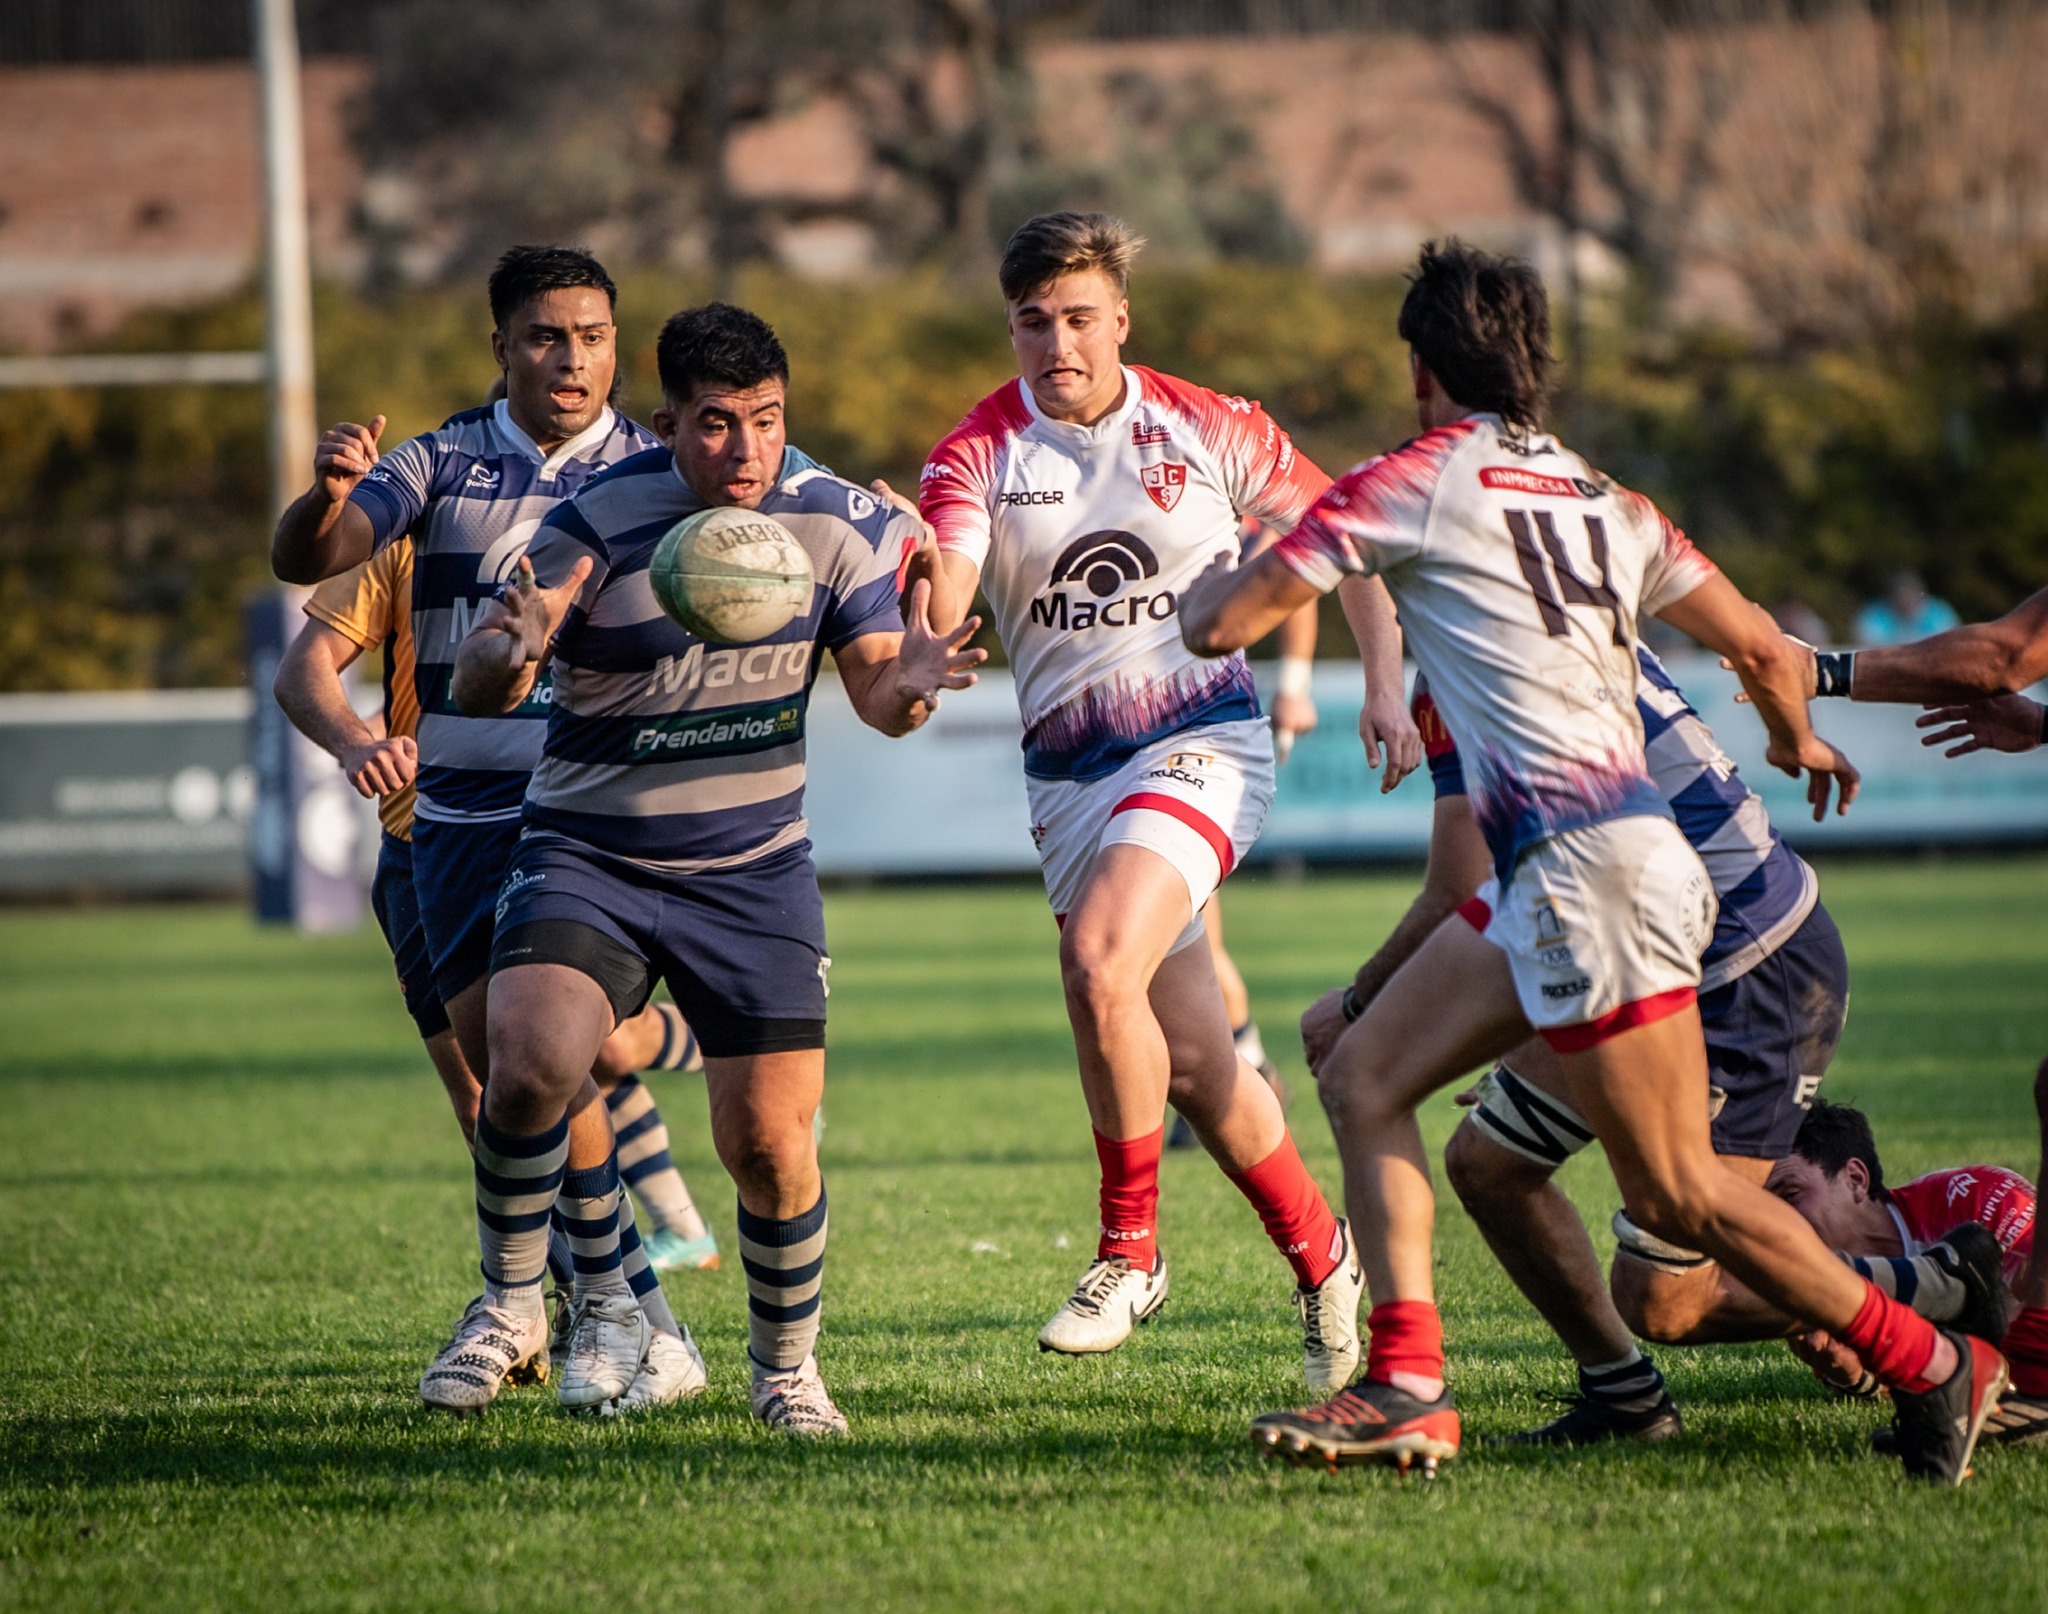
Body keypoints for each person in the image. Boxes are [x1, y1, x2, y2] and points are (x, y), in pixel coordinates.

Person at [1178, 238, 2006, 1484]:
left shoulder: (1402, 481)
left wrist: (1204, 572)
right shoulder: (1602, 495)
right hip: (1588, 870)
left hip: (1584, 874)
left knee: (1679, 1201)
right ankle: (1411, 1384)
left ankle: (1935, 1361)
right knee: (1362, 1078)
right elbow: (1764, 649)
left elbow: (1217, 625)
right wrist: (1798, 740)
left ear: (1418, 368)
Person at [435, 302, 982, 1431]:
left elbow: (881, 698)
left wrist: (917, 672)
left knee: (769, 1148)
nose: (745, 452)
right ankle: (510, 1305)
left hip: (752, 869)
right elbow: (484, 682)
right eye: (717, 425)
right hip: (589, 850)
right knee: (529, 1060)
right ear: (667, 421)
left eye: (767, 422)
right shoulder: (591, 520)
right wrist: (509, 647)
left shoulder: (829, 522)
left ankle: (784, 1373)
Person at [908, 211, 1416, 1389]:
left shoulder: (1208, 421)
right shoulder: (974, 451)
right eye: (1032, 322)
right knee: (1194, 1063)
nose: (1055, 344)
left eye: (1078, 318)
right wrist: (924, 618)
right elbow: (946, 574)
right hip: (1067, 780)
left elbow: (1347, 538)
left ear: (1119, 319)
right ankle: (1325, 1260)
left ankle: (1129, 1252)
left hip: (1201, 743)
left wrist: (1382, 684)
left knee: (1097, 963)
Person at [270, 245, 711, 1412]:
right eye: (544, 337)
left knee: (545, 1064)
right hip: (441, 827)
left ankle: (531, 1305)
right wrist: (325, 504)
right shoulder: (430, 471)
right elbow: (305, 581)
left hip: (583, 827)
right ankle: (628, 1315)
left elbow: (789, 507)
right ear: (502, 345)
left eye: (592, 337)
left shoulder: (657, 467)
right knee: (503, 1094)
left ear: (619, 345)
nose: (571, 360)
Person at [1379, 642, 1854, 1447]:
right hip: (1644, 951)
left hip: (1747, 961)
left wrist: (1357, 1003)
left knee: (1669, 1300)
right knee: (1489, 1165)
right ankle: (1626, 1398)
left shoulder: (1482, 646)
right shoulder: (1552, 599)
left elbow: (1459, 890)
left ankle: (1928, 1296)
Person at [271, 537, 721, 1275]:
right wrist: (355, 743)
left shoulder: (620, 511)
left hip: (566, 836)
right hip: (427, 844)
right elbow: (303, 668)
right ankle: (566, 1292)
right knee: (489, 1096)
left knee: (591, 1050)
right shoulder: (415, 536)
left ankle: (749, 1056)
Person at [1766, 1098, 2044, 1445]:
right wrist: (1859, 1379)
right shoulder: (1812, 1288)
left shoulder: (1971, 1200)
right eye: (1766, 1207)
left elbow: (2036, 1284)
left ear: (1855, 1179)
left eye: (1790, 1195)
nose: (1775, 1222)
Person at [1853, 571, 1959, 648]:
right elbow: (1865, 645)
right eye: (1901, 595)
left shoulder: (1939, 613)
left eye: (1910, 593)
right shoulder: (1875, 615)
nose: (1905, 599)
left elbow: (1952, 643)